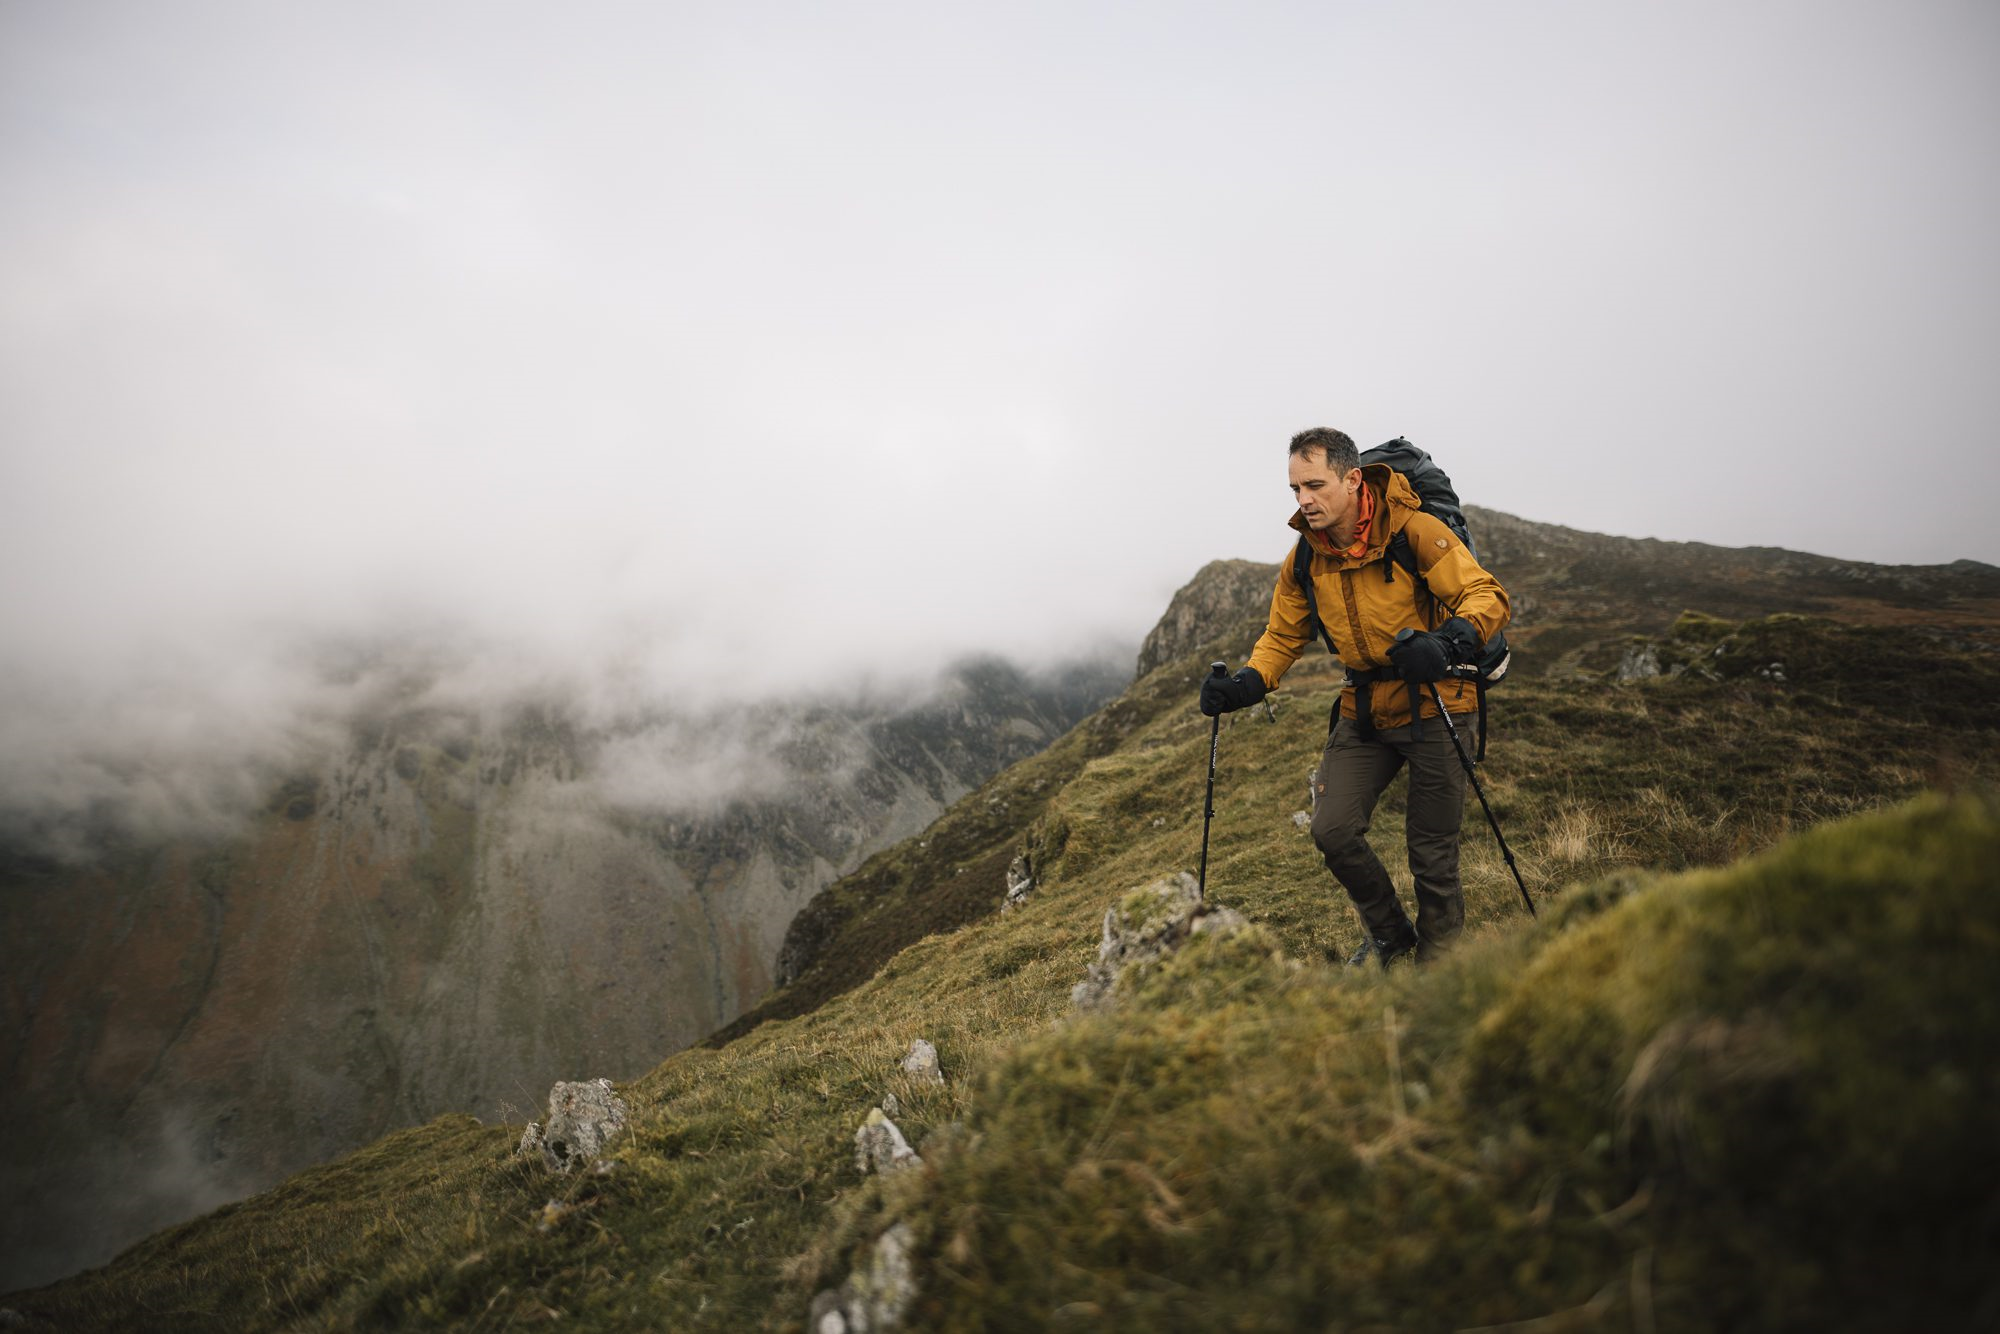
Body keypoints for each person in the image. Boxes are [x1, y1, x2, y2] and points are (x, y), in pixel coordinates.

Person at [1199, 428, 1511, 965]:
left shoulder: (1415, 531)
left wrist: (1445, 642)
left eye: (1314, 485)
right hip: (1364, 708)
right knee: (1332, 830)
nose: (1304, 500)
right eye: (1295, 488)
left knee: (1432, 854)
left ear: (1351, 479)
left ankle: (1438, 970)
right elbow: (1282, 637)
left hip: (1439, 701)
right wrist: (1245, 686)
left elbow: (1485, 594)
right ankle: (1392, 937)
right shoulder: (1305, 558)